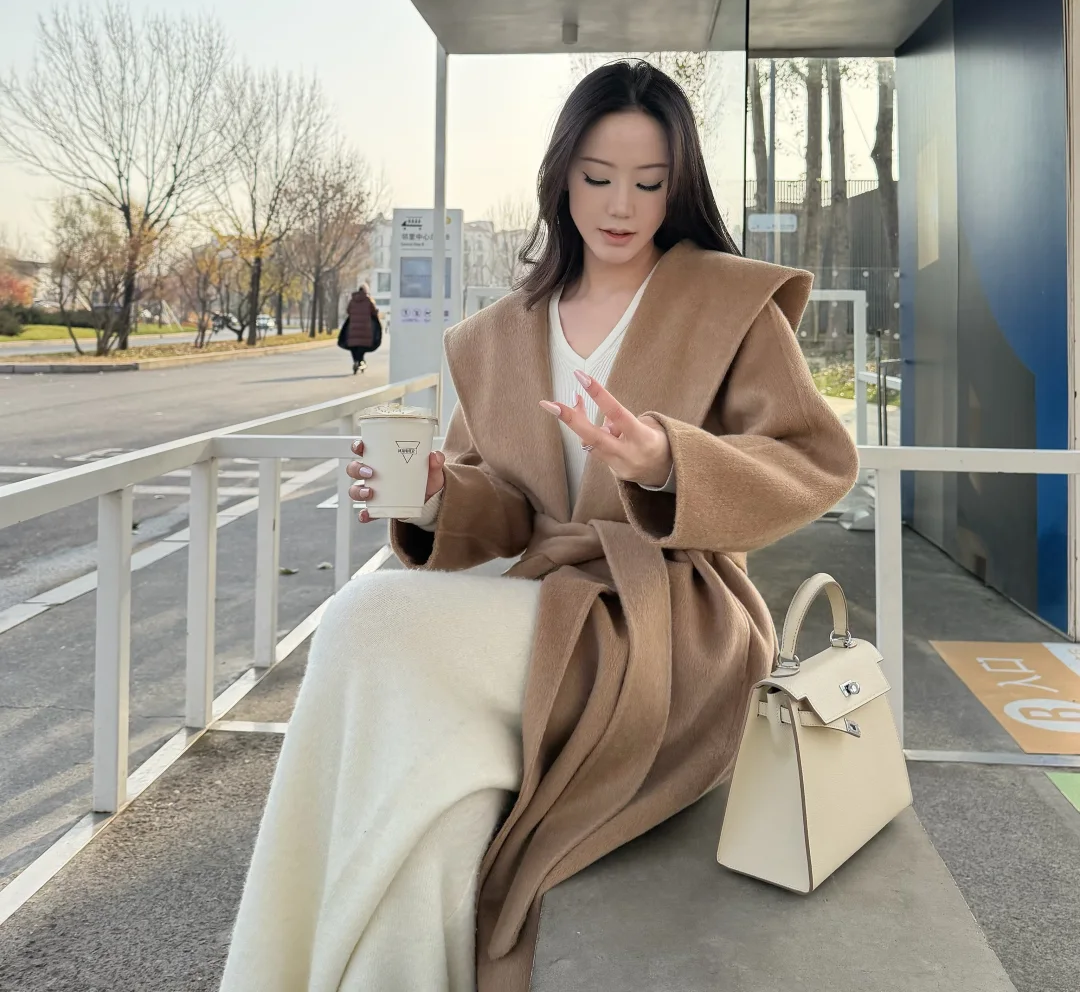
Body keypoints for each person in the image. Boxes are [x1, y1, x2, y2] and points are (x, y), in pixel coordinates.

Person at [220, 61, 859, 992]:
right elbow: (506, 506)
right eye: (598, 177)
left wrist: (666, 462)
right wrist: (434, 496)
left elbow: (813, 460)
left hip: (669, 628)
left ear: (679, 186)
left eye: (649, 182)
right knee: (433, 807)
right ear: (561, 177)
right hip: (544, 609)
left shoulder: (729, 304)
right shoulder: (501, 333)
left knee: (367, 617)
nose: (621, 205)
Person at [339, 284, 379, 373]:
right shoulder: (369, 300)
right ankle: (361, 363)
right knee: (362, 348)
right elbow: (373, 312)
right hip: (365, 329)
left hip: (353, 328)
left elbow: (348, 311)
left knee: (354, 347)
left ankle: (356, 362)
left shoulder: (352, 300)